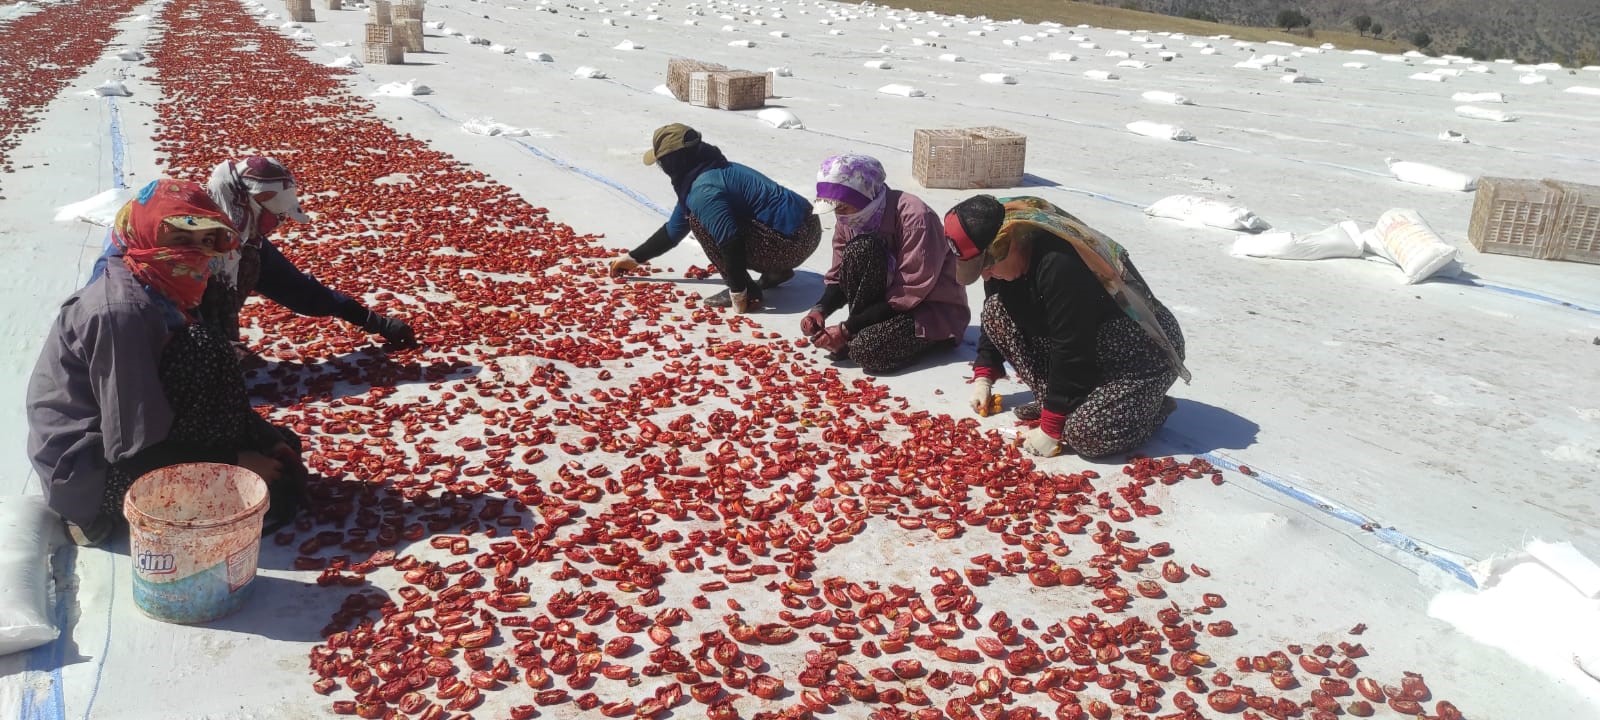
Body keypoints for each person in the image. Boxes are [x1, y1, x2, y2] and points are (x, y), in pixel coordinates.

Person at [27, 179, 307, 546]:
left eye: (206, 242)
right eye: (180, 240)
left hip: (132, 441)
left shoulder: (157, 288)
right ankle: (98, 516)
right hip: (90, 472)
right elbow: (133, 449)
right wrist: (234, 462)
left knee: (283, 451)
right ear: (144, 235)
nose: (194, 254)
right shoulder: (121, 313)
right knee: (206, 351)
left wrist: (267, 443)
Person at [948, 195, 1190, 459]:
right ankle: (1071, 403)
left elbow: (1072, 347)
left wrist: (1051, 428)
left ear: (1009, 243)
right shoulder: (1000, 263)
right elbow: (992, 315)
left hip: (1139, 352)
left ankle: (1152, 409)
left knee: (1085, 434)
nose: (985, 274)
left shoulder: (1060, 262)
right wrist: (984, 375)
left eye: (987, 265)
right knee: (996, 310)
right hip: (1089, 346)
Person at [90, 157, 416, 346]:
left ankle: (213, 349)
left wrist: (372, 321)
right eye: (276, 217)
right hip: (139, 353)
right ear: (250, 204)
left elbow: (298, 289)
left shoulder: (238, 242)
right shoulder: (162, 257)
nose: (277, 226)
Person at [608, 124, 821, 313]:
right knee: (704, 217)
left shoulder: (703, 190)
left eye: (662, 161)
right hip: (808, 230)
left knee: (701, 224)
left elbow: (731, 242)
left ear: (675, 161)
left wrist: (739, 291)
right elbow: (674, 230)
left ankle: (753, 288)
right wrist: (633, 258)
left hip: (792, 243)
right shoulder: (711, 169)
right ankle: (776, 272)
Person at [801, 153, 970, 374]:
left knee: (866, 350)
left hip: (928, 310)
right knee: (861, 249)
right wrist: (820, 310)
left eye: (841, 207)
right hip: (883, 307)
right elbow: (840, 274)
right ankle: (858, 332)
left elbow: (907, 294)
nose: (838, 215)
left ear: (863, 195)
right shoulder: (850, 218)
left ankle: (929, 341)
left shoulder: (915, 218)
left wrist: (848, 328)